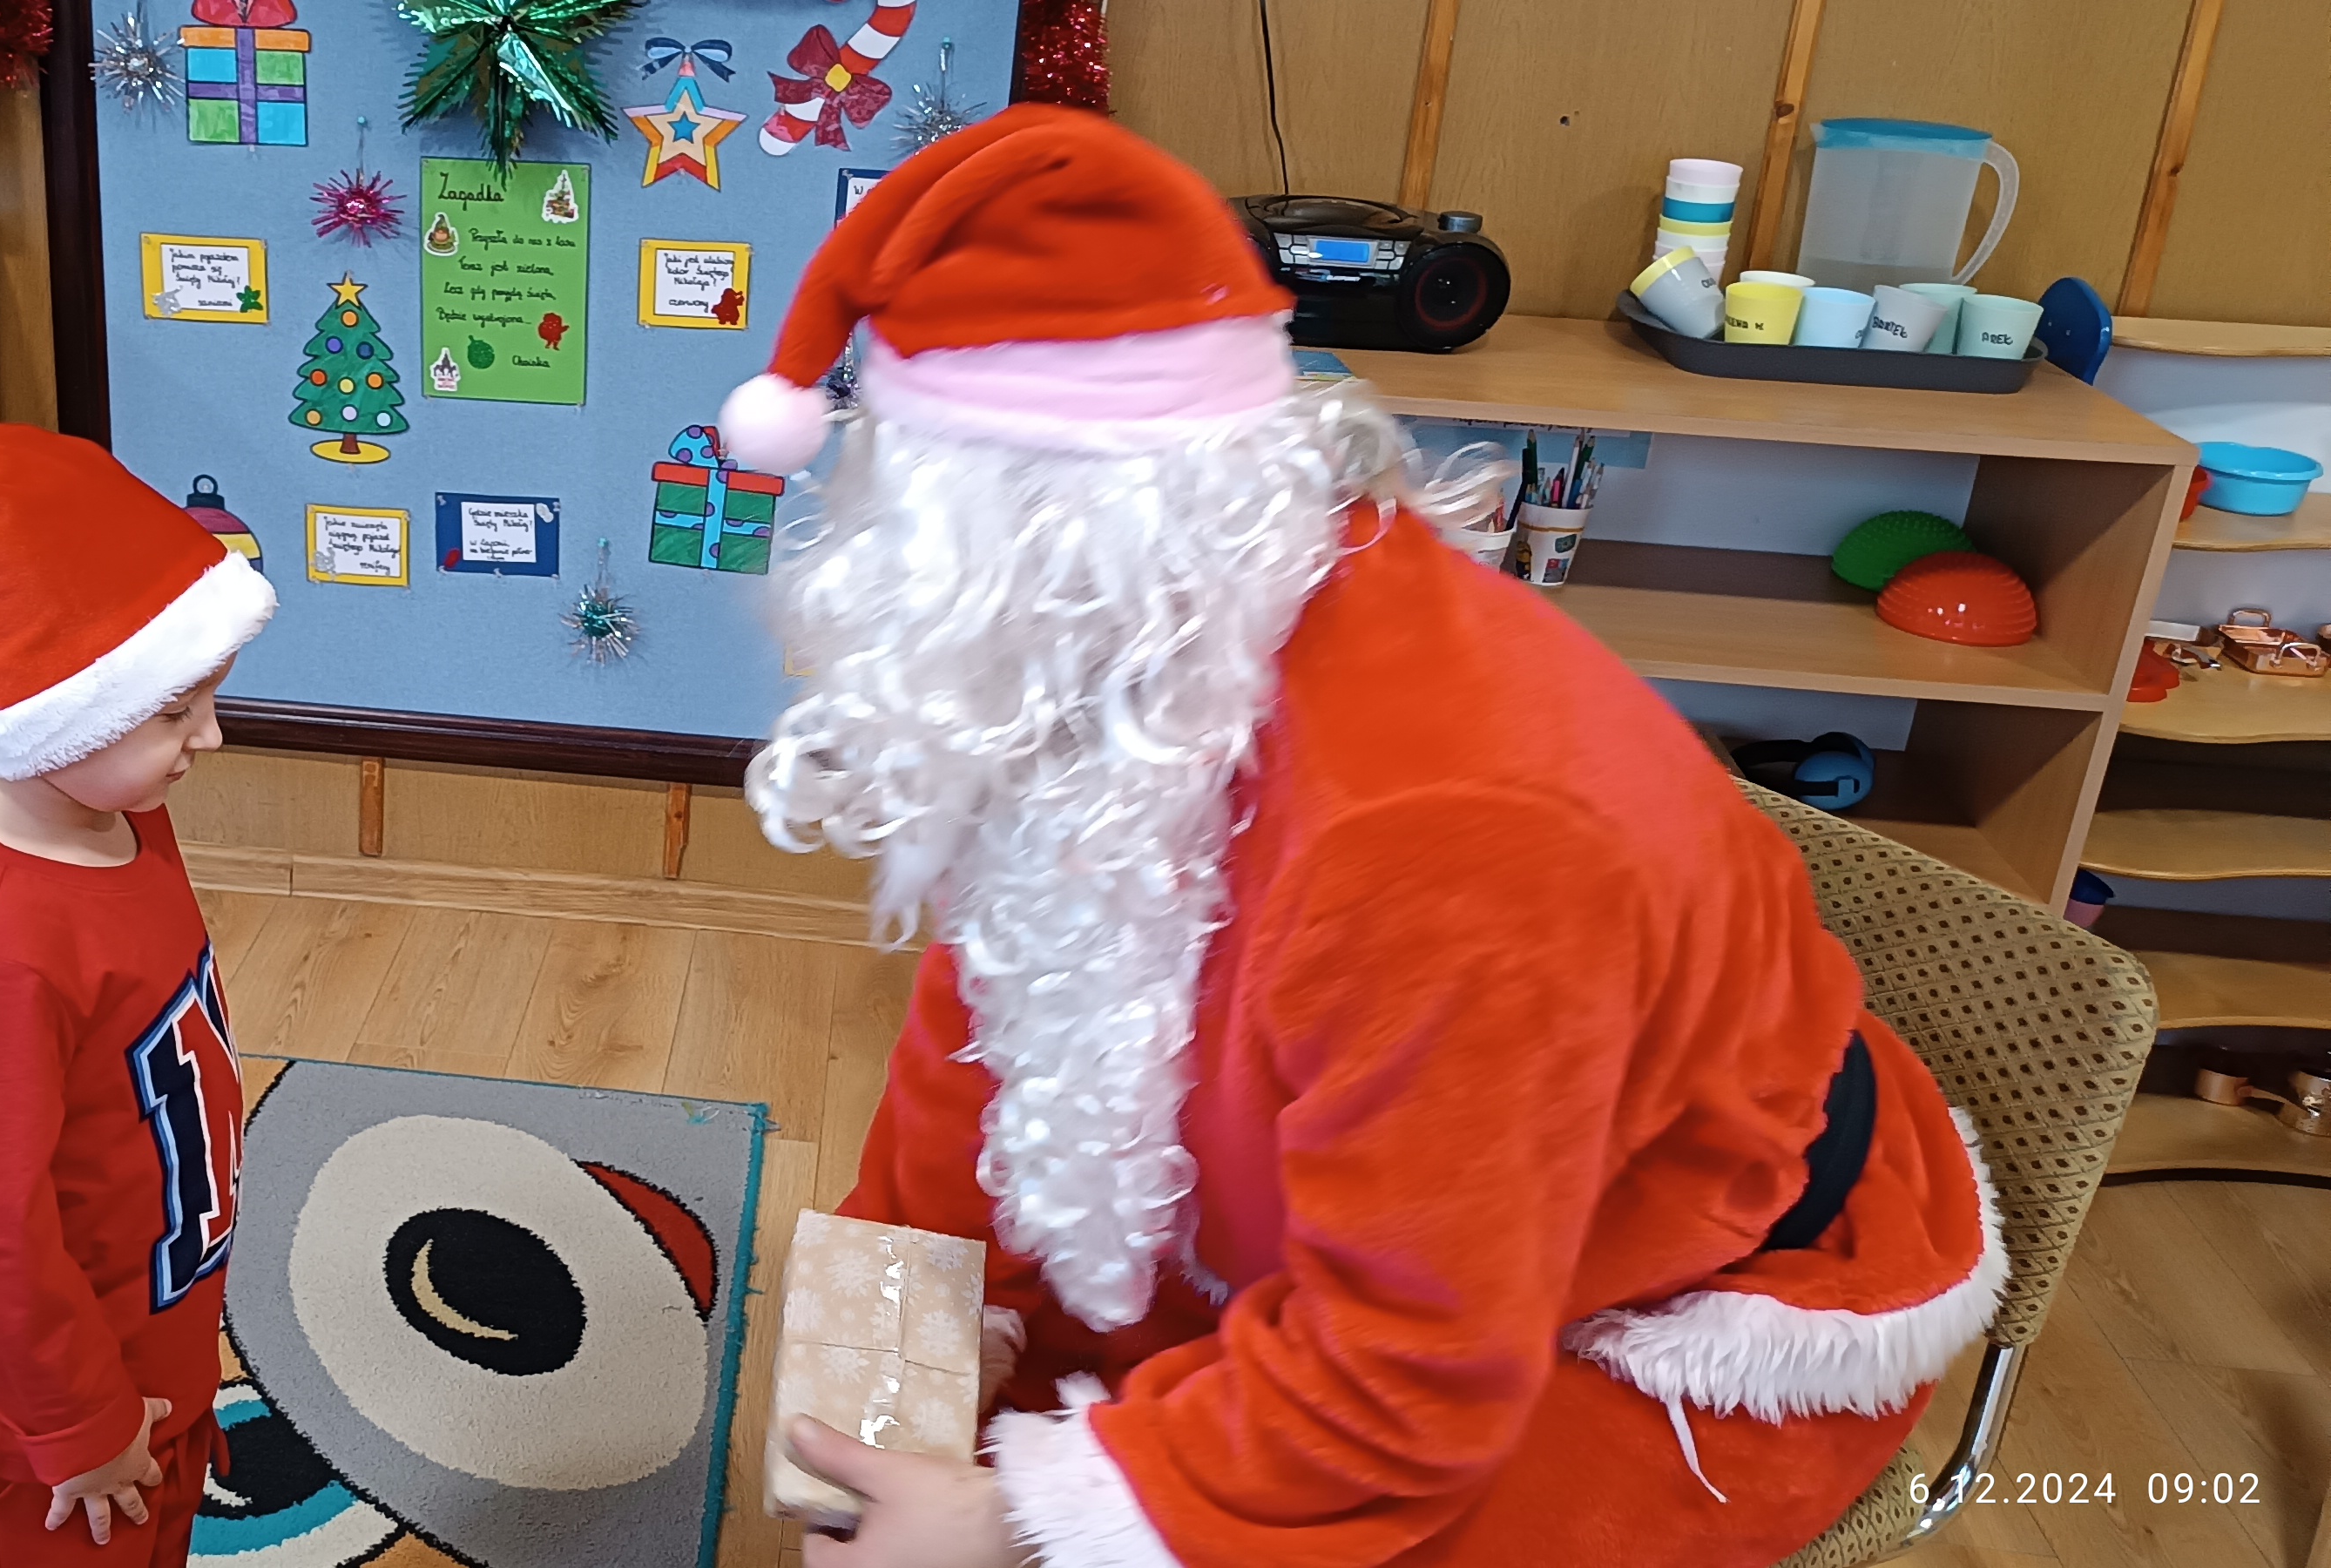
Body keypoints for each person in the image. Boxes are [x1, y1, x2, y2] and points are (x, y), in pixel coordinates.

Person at [720, 106, 2001, 1568]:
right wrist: (879, 1374)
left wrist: (1010, 1519)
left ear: (1038, 548)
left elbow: (1407, 1384)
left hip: (1676, 1289)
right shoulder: (1111, 661)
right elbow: (991, 1028)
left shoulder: (1446, 843)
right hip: (1422, 1176)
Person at [0, 424, 276, 1568]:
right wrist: (77, 1425)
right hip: (51, 1428)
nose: (209, 737)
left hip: (156, 1320)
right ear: (60, 709)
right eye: (173, 712)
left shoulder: (126, 819)